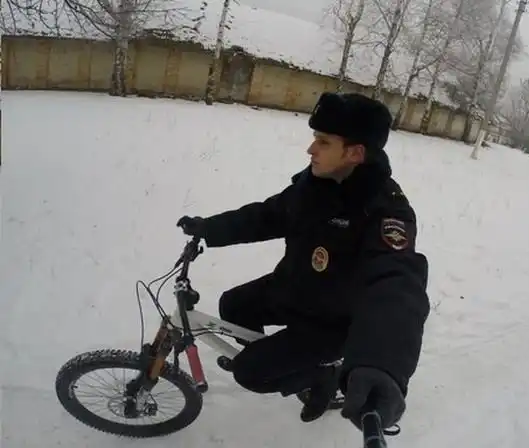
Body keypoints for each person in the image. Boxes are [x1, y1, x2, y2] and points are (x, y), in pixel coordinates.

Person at [176, 91, 430, 431]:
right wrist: (209, 229)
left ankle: (321, 377)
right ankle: (281, 361)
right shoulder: (315, 185)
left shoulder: (385, 212)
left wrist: (382, 363)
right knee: (234, 305)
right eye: (315, 138)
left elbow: (396, 284)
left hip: (333, 321)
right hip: (294, 288)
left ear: (355, 153)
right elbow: (269, 215)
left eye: (323, 142)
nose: (311, 149)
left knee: (250, 373)